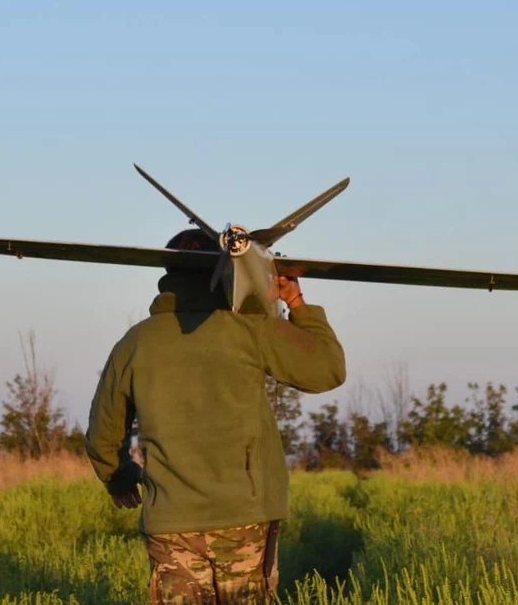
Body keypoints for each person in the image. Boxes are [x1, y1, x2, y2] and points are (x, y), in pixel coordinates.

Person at [85, 228, 347, 604]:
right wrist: (296, 301)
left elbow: (102, 436)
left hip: (171, 520)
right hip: (245, 517)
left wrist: (120, 479)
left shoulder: (135, 342)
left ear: (167, 273)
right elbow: (327, 369)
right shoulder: (250, 328)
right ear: (223, 270)